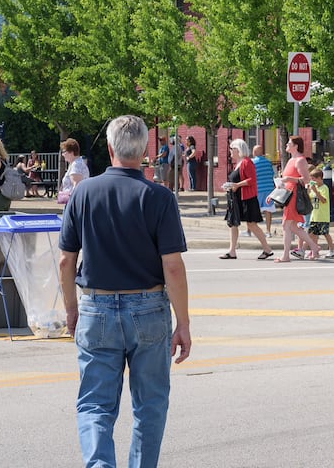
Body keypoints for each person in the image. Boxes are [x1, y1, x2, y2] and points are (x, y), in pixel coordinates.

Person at [57, 115, 191, 468]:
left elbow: (65, 262)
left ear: (110, 147)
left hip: (97, 306)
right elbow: (173, 266)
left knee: (95, 404)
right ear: (145, 149)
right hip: (148, 308)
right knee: (150, 404)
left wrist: (71, 309)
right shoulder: (160, 197)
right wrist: (184, 322)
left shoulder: (83, 193)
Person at [218, 139, 271, 260]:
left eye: (232, 149)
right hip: (236, 198)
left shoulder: (247, 162)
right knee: (233, 224)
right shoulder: (239, 163)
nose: (230, 152)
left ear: (238, 149)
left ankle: (267, 248)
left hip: (247, 198)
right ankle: (232, 251)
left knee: (252, 224)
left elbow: (252, 179)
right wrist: (230, 186)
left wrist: (237, 185)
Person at [275, 135, 319, 263]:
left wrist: (289, 179)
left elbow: (306, 179)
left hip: (294, 195)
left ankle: (286, 255)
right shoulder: (290, 160)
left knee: (286, 225)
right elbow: (286, 179)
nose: (286, 145)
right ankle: (313, 246)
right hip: (287, 194)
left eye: (289, 143)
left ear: (296, 146)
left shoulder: (300, 160)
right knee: (293, 226)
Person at [306, 167, 334, 258]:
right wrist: (308, 191)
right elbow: (310, 199)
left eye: (314, 179)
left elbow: (323, 200)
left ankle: (332, 250)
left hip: (322, 216)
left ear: (319, 178)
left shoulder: (324, 188)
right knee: (312, 234)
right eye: (311, 179)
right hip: (314, 216)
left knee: (325, 233)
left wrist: (315, 191)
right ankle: (315, 251)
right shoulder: (313, 189)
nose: (313, 181)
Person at [252, 143, 278, 235]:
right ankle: (268, 231)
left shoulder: (253, 163)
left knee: (254, 210)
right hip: (269, 189)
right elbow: (272, 174)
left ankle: (251, 230)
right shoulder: (268, 162)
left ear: (254, 152)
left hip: (258, 189)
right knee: (268, 210)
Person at [58, 138, 90, 206]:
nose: (63, 154)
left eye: (64, 152)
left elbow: (76, 185)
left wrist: (73, 205)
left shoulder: (76, 165)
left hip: (74, 203)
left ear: (71, 152)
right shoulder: (75, 163)